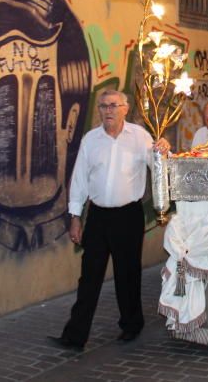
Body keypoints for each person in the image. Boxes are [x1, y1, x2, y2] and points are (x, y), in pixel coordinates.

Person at [51, 90, 169, 350]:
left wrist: (163, 151)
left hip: (128, 215)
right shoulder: (90, 140)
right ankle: (75, 335)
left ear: (125, 109)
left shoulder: (140, 137)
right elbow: (80, 180)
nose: (108, 110)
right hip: (98, 216)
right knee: (89, 277)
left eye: (114, 105)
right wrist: (75, 217)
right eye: (104, 106)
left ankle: (131, 326)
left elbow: (160, 169)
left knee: (127, 274)